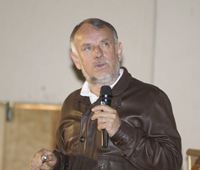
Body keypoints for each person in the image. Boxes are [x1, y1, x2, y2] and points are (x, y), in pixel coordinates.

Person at [30, 18, 182, 170]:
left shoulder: (150, 98)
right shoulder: (72, 102)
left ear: (118, 50)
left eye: (104, 44)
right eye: (88, 48)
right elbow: (69, 160)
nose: (98, 53)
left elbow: (172, 163)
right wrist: (56, 162)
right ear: (76, 60)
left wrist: (121, 131)